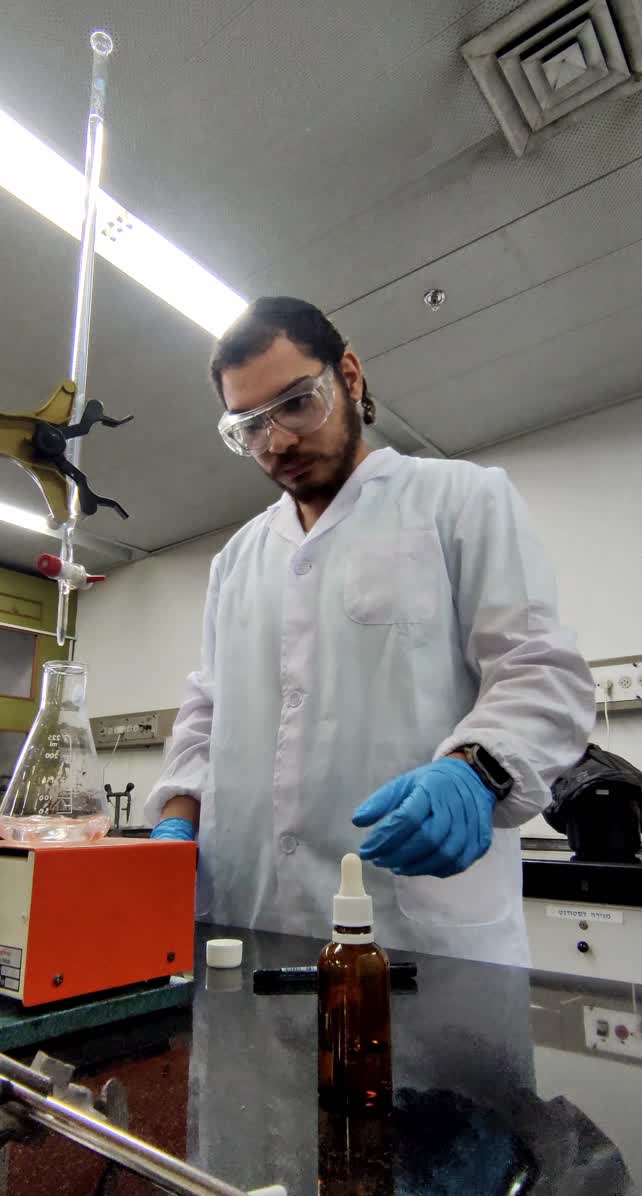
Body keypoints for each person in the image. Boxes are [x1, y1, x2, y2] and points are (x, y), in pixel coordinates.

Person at [145, 297, 594, 964]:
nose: (279, 442)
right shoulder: (236, 560)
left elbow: (538, 671)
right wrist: (178, 815)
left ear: (349, 377)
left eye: (297, 403)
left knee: (431, 1069)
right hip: (249, 918)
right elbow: (209, 708)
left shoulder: (460, 500)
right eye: (250, 426)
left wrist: (474, 774)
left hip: (419, 934)